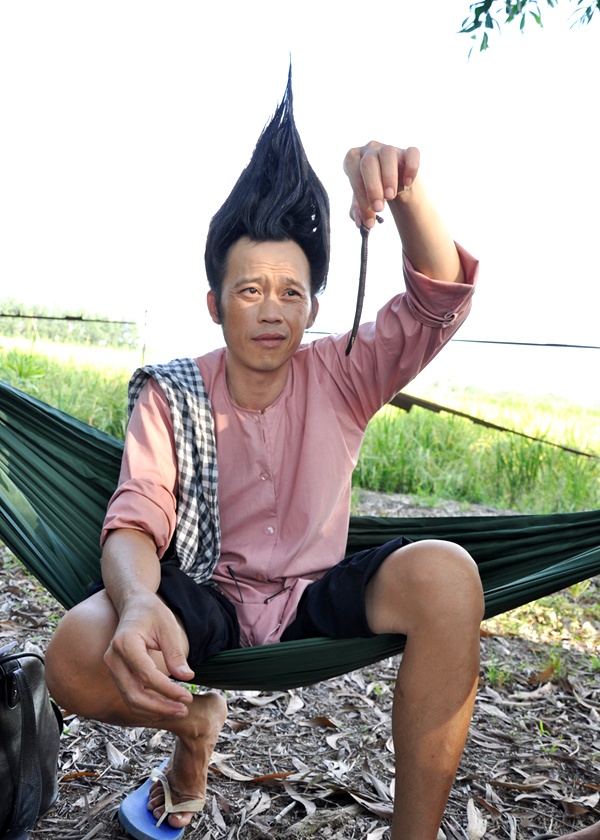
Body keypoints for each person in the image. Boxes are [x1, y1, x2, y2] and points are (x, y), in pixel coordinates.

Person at [45, 71, 484, 840]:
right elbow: (136, 520)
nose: (272, 309)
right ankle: (193, 729)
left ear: (313, 306)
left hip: (318, 593)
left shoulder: (344, 373)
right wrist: (141, 601)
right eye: (249, 291)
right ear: (214, 304)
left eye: (290, 291)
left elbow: (437, 296)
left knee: (449, 575)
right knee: (74, 654)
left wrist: (405, 190)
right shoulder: (172, 394)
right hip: (206, 594)